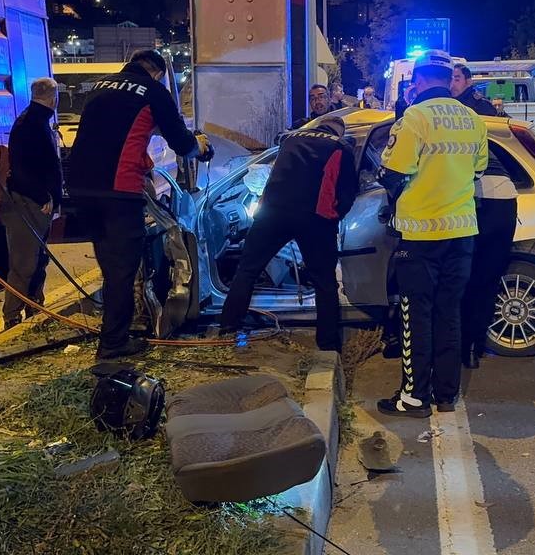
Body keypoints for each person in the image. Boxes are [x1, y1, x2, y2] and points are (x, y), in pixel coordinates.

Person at [67, 49, 214, 362]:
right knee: (123, 268)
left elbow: (115, 131)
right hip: (119, 189)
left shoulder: (100, 87)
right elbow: (181, 143)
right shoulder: (154, 91)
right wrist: (199, 146)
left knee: (110, 266)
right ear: (157, 72)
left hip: (81, 186)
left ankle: (113, 333)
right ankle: (113, 346)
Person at [376, 49, 488, 417]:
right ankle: (445, 394)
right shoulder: (472, 118)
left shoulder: (415, 118)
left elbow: (391, 173)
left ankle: (414, 397)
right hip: (462, 233)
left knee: (415, 316)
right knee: (449, 313)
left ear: (420, 80)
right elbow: (477, 171)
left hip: (420, 236)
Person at [219, 116, 358, 351]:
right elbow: (347, 192)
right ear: (340, 132)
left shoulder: (290, 139)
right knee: (324, 282)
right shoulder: (340, 146)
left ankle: (228, 328)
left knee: (247, 270)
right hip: (313, 219)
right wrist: (334, 218)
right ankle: (328, 344)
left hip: (272, 213)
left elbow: (274, 174)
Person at [449, 63, 518, 369]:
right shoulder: (484, 111)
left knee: (467, 276)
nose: (451, 83)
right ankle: (476, 346)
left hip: (481, 196)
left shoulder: (462, 112)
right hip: (505, 195)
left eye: (455, 78)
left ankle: (464, 348)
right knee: (488, 279)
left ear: (467, 81)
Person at [1, 77, 63, 330]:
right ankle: (12, 315)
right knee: (24, 261)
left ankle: (34, 304)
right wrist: (42, 196)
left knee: (37, 258)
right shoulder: (32, 124)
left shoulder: (35, 121)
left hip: (35, 201)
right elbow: (23, 168)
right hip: (29, 202)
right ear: (53, 98)